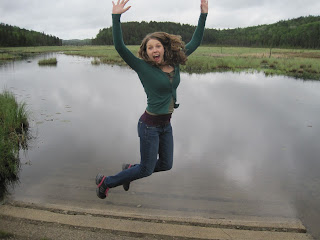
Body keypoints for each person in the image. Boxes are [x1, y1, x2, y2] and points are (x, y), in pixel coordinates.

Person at [96, 0, 208, 199]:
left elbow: (196, 42)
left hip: (166, 125)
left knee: (166, 164)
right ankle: (107, 182)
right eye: (150, 48)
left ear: (164, 48)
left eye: (157, 46)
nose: (154, 50)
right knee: (146, 169)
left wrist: (203, 14)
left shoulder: (176, 61)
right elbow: (120, 47)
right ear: (145, 52)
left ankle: (130, 169)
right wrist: (116, 17)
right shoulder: (142, 67)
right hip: (149, 126)